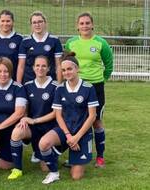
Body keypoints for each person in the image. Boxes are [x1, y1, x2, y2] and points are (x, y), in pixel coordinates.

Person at [38, 52, 99, 184]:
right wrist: (68, 135)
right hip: (65, 130)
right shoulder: (59, 89)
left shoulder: (88, 88)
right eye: (63, 70)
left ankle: (72, 158)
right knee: (43, 143)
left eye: (70, 69)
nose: (66, 72)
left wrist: (76, 137)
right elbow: (58, 115)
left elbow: (92, 116)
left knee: (76, 176)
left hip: (82, 133)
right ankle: (54, 173)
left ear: (77, 69)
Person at [65, 12, 113, 167]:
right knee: (76, 122)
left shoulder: (101, 43)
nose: (84, 26)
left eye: (87, 23)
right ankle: (75, 156)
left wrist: (101, 79)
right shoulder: (71, 43)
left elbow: (109, 65)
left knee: (96, 122)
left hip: (96, 86)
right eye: (81, 23)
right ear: (77, 26)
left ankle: (100, 157)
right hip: (77, 86)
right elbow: (67, 62)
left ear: (92, 25)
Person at [7, 56, 58, 180]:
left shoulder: (56, 86)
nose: (40, 68)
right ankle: (17, 169)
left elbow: (55, 113)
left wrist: (35, 120)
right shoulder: (27, 86)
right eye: (37, 66)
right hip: (32, 127)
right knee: (16, 132)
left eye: (43, 66)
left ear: (49, 68)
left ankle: (45, 152)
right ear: (33, 68)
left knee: (45, 168)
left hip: (49, 128)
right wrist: (24, 118)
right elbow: (25, 108)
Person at [17, 11, 63, 84]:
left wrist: (59, 85)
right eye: (34, 22)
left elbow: (59, 65)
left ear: (45, 23)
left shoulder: (54, 40)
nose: (37, 25)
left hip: (50, 82)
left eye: (40, 22)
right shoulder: (25, 42)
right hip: (29, 81)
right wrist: (18, 85)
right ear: (31, 25)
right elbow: (21, 66)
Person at [0, 9, 23, 81]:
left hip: (12, 79)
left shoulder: (19, 39)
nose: (5, 24)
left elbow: (21, 63)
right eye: (2, 21)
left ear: (13, 22)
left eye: (8, 21)